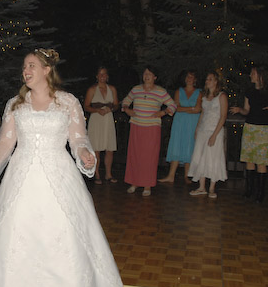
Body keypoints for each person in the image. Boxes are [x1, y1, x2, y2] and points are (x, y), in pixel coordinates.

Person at [0, 48, 127, 287]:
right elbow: (4, 143)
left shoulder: (67, 102)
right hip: (22, 176)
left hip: (59, 173)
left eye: (31, 65)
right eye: (24, 67)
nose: (26, 71)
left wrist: (85, 153)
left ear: (46, 70)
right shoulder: (15, 104)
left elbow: (78, 138)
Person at [121, 66, 176, 196]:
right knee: (135, 155)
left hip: (152, 127)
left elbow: (173, 105)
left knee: (149, 157)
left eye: (150, 74)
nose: (147, 76)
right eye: (145, 74)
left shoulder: (160, 91)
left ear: (155, 77)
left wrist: (163, 112)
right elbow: (125, 102)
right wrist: (127, 109)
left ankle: (147, 185)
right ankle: (134, 183)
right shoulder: (136, 89)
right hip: (136, 126)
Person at [229, 66, 268, 202]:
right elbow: (246, 110)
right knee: (249, 159)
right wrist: (240, 110)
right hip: (250, 127)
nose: (250, 75)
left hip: (264, 128)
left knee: (261, 161)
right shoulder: (249, 91)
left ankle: (260, 193)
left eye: (253, 73)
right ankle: (249, 190)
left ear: (260, 75)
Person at [188, 71, 228, 198]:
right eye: (207, 79)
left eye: (210, 79)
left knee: (213, 157)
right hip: (203, 130)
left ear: (216, 81)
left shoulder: (221, 96)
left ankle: (212, 188)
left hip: (215, 130)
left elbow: (223, 116)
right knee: (201, 156)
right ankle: (201, 187)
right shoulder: (204, 96)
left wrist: (214, 135)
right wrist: (197, 129)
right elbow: (202, 113)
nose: (207, 81)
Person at [159, 70, 202, 184]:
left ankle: (187, 175)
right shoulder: (179, 91)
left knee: (189, 145)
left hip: (192, 122)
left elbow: (198, 109)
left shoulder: (199, 92)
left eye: (192, 77)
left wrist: (185, 109)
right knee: (176, 145)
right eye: (188, 76)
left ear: (195, 80)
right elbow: (176, 107)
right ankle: (171, 176)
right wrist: (191, 108)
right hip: (179, 122)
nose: (189, 79)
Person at [84, 67, 119, 184]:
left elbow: (116, 104)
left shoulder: (112, 89)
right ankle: (97, 174)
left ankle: (108, 174)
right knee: (96, 149)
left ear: (107, 76)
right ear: (97, 76)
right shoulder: (92, 89)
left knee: (110, 148)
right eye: (100, 74)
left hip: (108, 119)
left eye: (104, 74)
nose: (102, 76)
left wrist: (110, 109)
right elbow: (86, 106)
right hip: (96, 119)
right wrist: (97, 110)